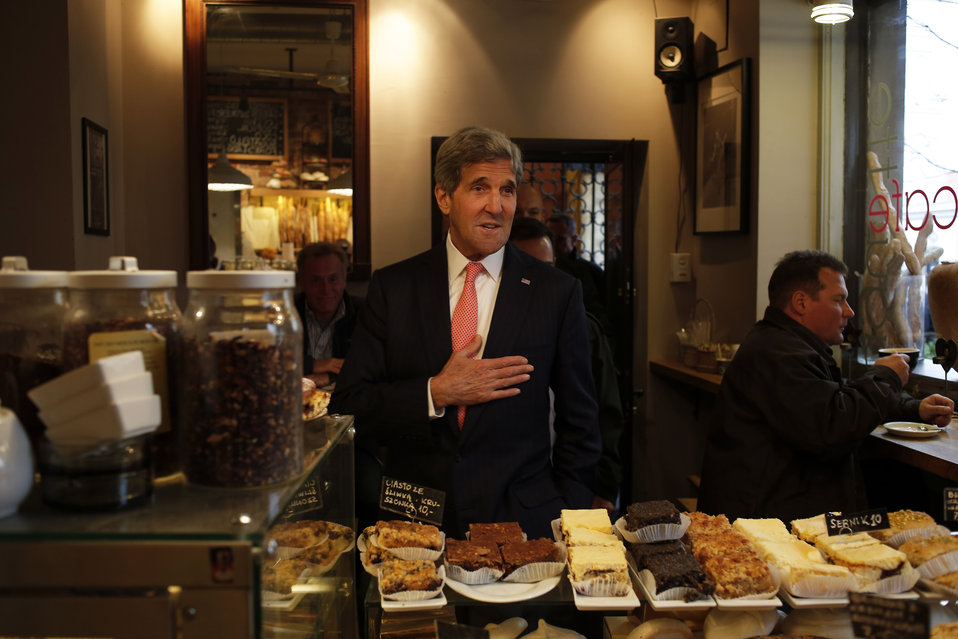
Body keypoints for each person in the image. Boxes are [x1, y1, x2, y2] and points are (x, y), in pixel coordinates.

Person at [330, 125, 601, 538]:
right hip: (415, 525)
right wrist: (435, 392)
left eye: (507, 190)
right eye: (479, 188)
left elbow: (580, 423)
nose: (497, 206)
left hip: (522, 524)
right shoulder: (395, 287)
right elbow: (349, 408)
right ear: (443, 197)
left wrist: (567, 514)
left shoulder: (556, 293)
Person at [698, 249, 954, 522]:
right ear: (801, 303)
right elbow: (832, 427)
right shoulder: (776, 354)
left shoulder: (784, 344)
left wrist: (914, 408)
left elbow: (833, 394)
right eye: (839, 300)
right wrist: (884, 376)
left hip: (782, 508)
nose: (849, 311)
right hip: (769, 530)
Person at [509, 217, 626, 516]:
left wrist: (603, 487)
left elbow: (607, 413)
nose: (540, 281)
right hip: (514, 488)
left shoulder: (584, 330)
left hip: (573, 485)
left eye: (547, 268)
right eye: (529, 269)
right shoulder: (490, 332)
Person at [294, 242, 362, 388]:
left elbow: (370, 367)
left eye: (333, 279)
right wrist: (314, 365)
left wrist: (330, 377)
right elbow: (266, 362)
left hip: (345, 402)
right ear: (302, 282)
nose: (325, 289)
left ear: (344, 280)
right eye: (316, 280)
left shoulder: (366, 313)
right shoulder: (286, 314)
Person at [546, 212, 608, 331]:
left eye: (560, 240)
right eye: (550, 239)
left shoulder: (591, 271)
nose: (553, 245)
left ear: (574, 239)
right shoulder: (540, 268)